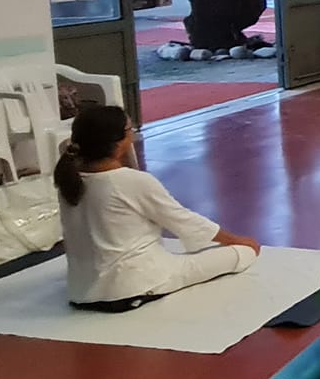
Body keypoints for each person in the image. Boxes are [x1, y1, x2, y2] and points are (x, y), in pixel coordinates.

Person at [54, 106, 260, 310]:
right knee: (243, 253)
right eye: (129, 130)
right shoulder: (131, 181)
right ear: (118, 141)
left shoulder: (68, 178)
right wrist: (236, 240)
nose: (132, 135)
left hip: (82, 291)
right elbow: (182, 220)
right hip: (135, 284)